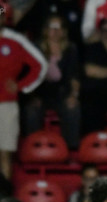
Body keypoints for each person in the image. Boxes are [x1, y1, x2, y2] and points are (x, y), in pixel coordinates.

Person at [0, 1, 47, 181]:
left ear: (3, 17)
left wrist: (23, 86)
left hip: (6, 106)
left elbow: (41, 65)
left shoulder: (16, 40)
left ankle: (4, 197)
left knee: (5, 155)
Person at [22, 14, 81, 150]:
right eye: (52, 27)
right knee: (31, 110)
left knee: (73, 108)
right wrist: (32, 97)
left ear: (64, 31)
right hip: (40, 93)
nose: (56, 31)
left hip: (62, 94)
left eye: (59, 28)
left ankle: (71, 150)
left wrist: (74, 95)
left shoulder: (70, 48)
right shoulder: (35, 47)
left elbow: (74, 77)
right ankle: (33, 148)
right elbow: (29, 75)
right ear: (45, 30)